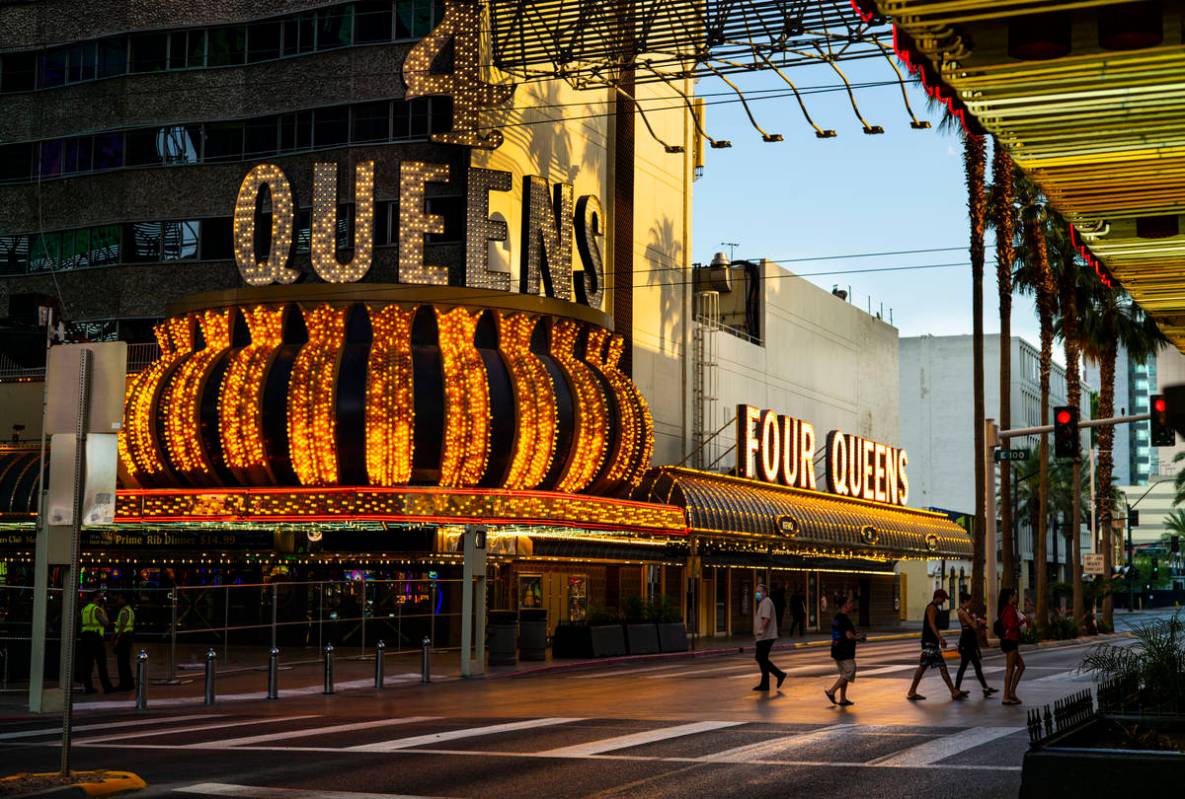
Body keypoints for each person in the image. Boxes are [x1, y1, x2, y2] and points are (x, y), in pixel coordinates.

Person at [906, 588, 968, 702]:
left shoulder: (935, 608)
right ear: (938, 597)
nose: (944, 601)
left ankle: (912, 691)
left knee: (927, 666)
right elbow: (931, 624)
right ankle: (953, 692)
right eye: (943, 598)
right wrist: (940, 638)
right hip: (930, 642)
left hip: (930, 642)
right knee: (939, 666)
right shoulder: (931, 608)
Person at [825, 596, 866, 706]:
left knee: (844, 674)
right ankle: (831, 691)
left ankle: (843, 699)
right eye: (850, 602)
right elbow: (848, 636)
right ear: (845, 605)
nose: (852, 604)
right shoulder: (845, 619)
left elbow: (843, 633)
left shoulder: (837, 617)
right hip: (844, 650)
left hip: (836, 649)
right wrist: (859, 637)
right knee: (850, 671)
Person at [954, 591, 997, 697]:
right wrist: (976, 620)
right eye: (970, 601)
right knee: (964, 666)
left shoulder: (965, 611)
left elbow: (972, 623)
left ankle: (985, 688)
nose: (971, 604)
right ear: (965, 601)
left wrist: (975, 619)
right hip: (966, 642)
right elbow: (973, 626)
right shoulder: (962, 612)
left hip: (969, 641)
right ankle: (956, 689)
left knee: (976, 665)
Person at [76, 590, 113, 694]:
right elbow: (105, 623)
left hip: (85, 637)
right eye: (100, 596)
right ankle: (107, 687)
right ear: (95, 598)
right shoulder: (97, 609)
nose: (102, 598)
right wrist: (104, 611)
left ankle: (88, 687)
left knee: (87, 664)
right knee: (101, 663)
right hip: (95, 638)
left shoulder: (85, 609)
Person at [752, 583, 787, 692]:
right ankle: (765, 684)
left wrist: (761, 629)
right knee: (762, 659)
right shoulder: (762, 602)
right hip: (763, 637)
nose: (757, 594)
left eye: (759, 592)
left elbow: (766, 618)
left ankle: (779, 674)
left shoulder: (766, 602)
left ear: (764, 592)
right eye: (756, 591)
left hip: (766, 636)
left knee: (760, 658)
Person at [997, 587, 1026, 705]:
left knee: (1021, 666)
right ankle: (1006, 695)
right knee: (1010, 669)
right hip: (1010, 641)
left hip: (1010, 641)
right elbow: (1011, 625)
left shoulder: (1007, 608)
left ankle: (1012, 692)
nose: (1017, 597)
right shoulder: (1009, 609)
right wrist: (1023, 621)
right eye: (1015, 595)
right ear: (1010, 597)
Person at [112, 593, 136, 692]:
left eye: (120, 598)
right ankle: (129, 683)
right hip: (128, 636)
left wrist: (117, 638)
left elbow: (122, 625)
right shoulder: (130, 610)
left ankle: (124, 684)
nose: (118, 600)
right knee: (125, 662)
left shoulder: (124, 611)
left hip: (124, 637)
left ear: (124, 600)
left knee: (122, 663)